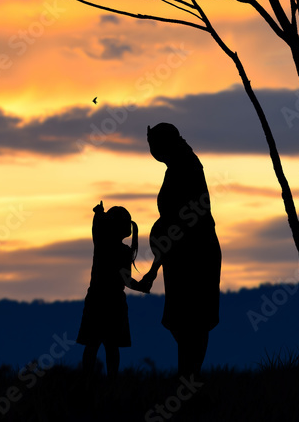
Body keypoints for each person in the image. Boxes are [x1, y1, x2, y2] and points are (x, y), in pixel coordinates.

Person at [138, 123, 221, 377]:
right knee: (183, 320)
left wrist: (154, 267)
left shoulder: (185, 167)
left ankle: (188, 377)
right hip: (178, 254)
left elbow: (181, 223)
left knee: (191, 321)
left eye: (154, 146)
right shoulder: (179, 165)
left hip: (195, 254)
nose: (152, 153)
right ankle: (188, 375)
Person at [76, 201, 147, 378]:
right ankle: (112, 381)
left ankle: (87, 382)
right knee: (111, 346)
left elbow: (96, 228)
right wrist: (142, 286)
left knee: (93, 345)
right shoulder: (123, 251)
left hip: (97, 299)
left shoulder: (101, 246)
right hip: (114, 302)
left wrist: (98, 214)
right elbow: (127, 281)